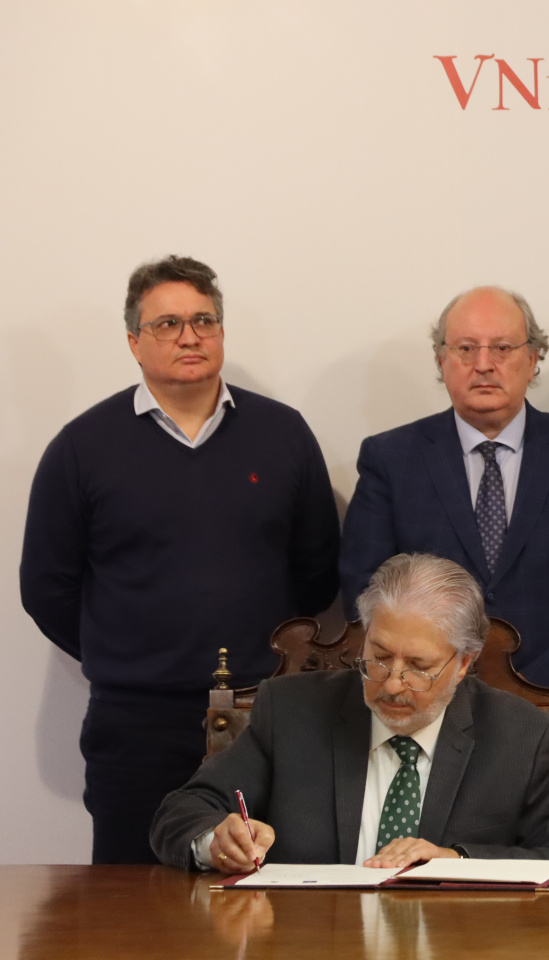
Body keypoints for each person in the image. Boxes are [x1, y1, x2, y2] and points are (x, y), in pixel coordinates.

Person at [20, 255, 340, 864]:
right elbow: (47, 587)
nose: (189, 336)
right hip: (136, 719)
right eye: (167, 324)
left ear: (221, 331)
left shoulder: (282, 433)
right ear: (134, 342)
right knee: (131, 905)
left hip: (263, 714)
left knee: (260, 893)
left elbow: (317, 567)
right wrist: (126, 651)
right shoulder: (83, 447)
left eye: (204, 320)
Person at [339, 286, 549, 841]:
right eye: (465, 348)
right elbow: (365, 586)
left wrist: (535, 688)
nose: (484, 365)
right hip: (423, 714)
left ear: (533, 358)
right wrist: (438, 680)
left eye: (502, 347)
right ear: (441, 360)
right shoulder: (391, 458)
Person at [151, 553, 549, 870]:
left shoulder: (519, 733)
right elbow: (183, 811)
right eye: (379, 656)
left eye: (419, 667)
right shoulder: (292, 711)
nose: (392, 683)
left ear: (463, 664)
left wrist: (456, 860)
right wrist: (217, 842)